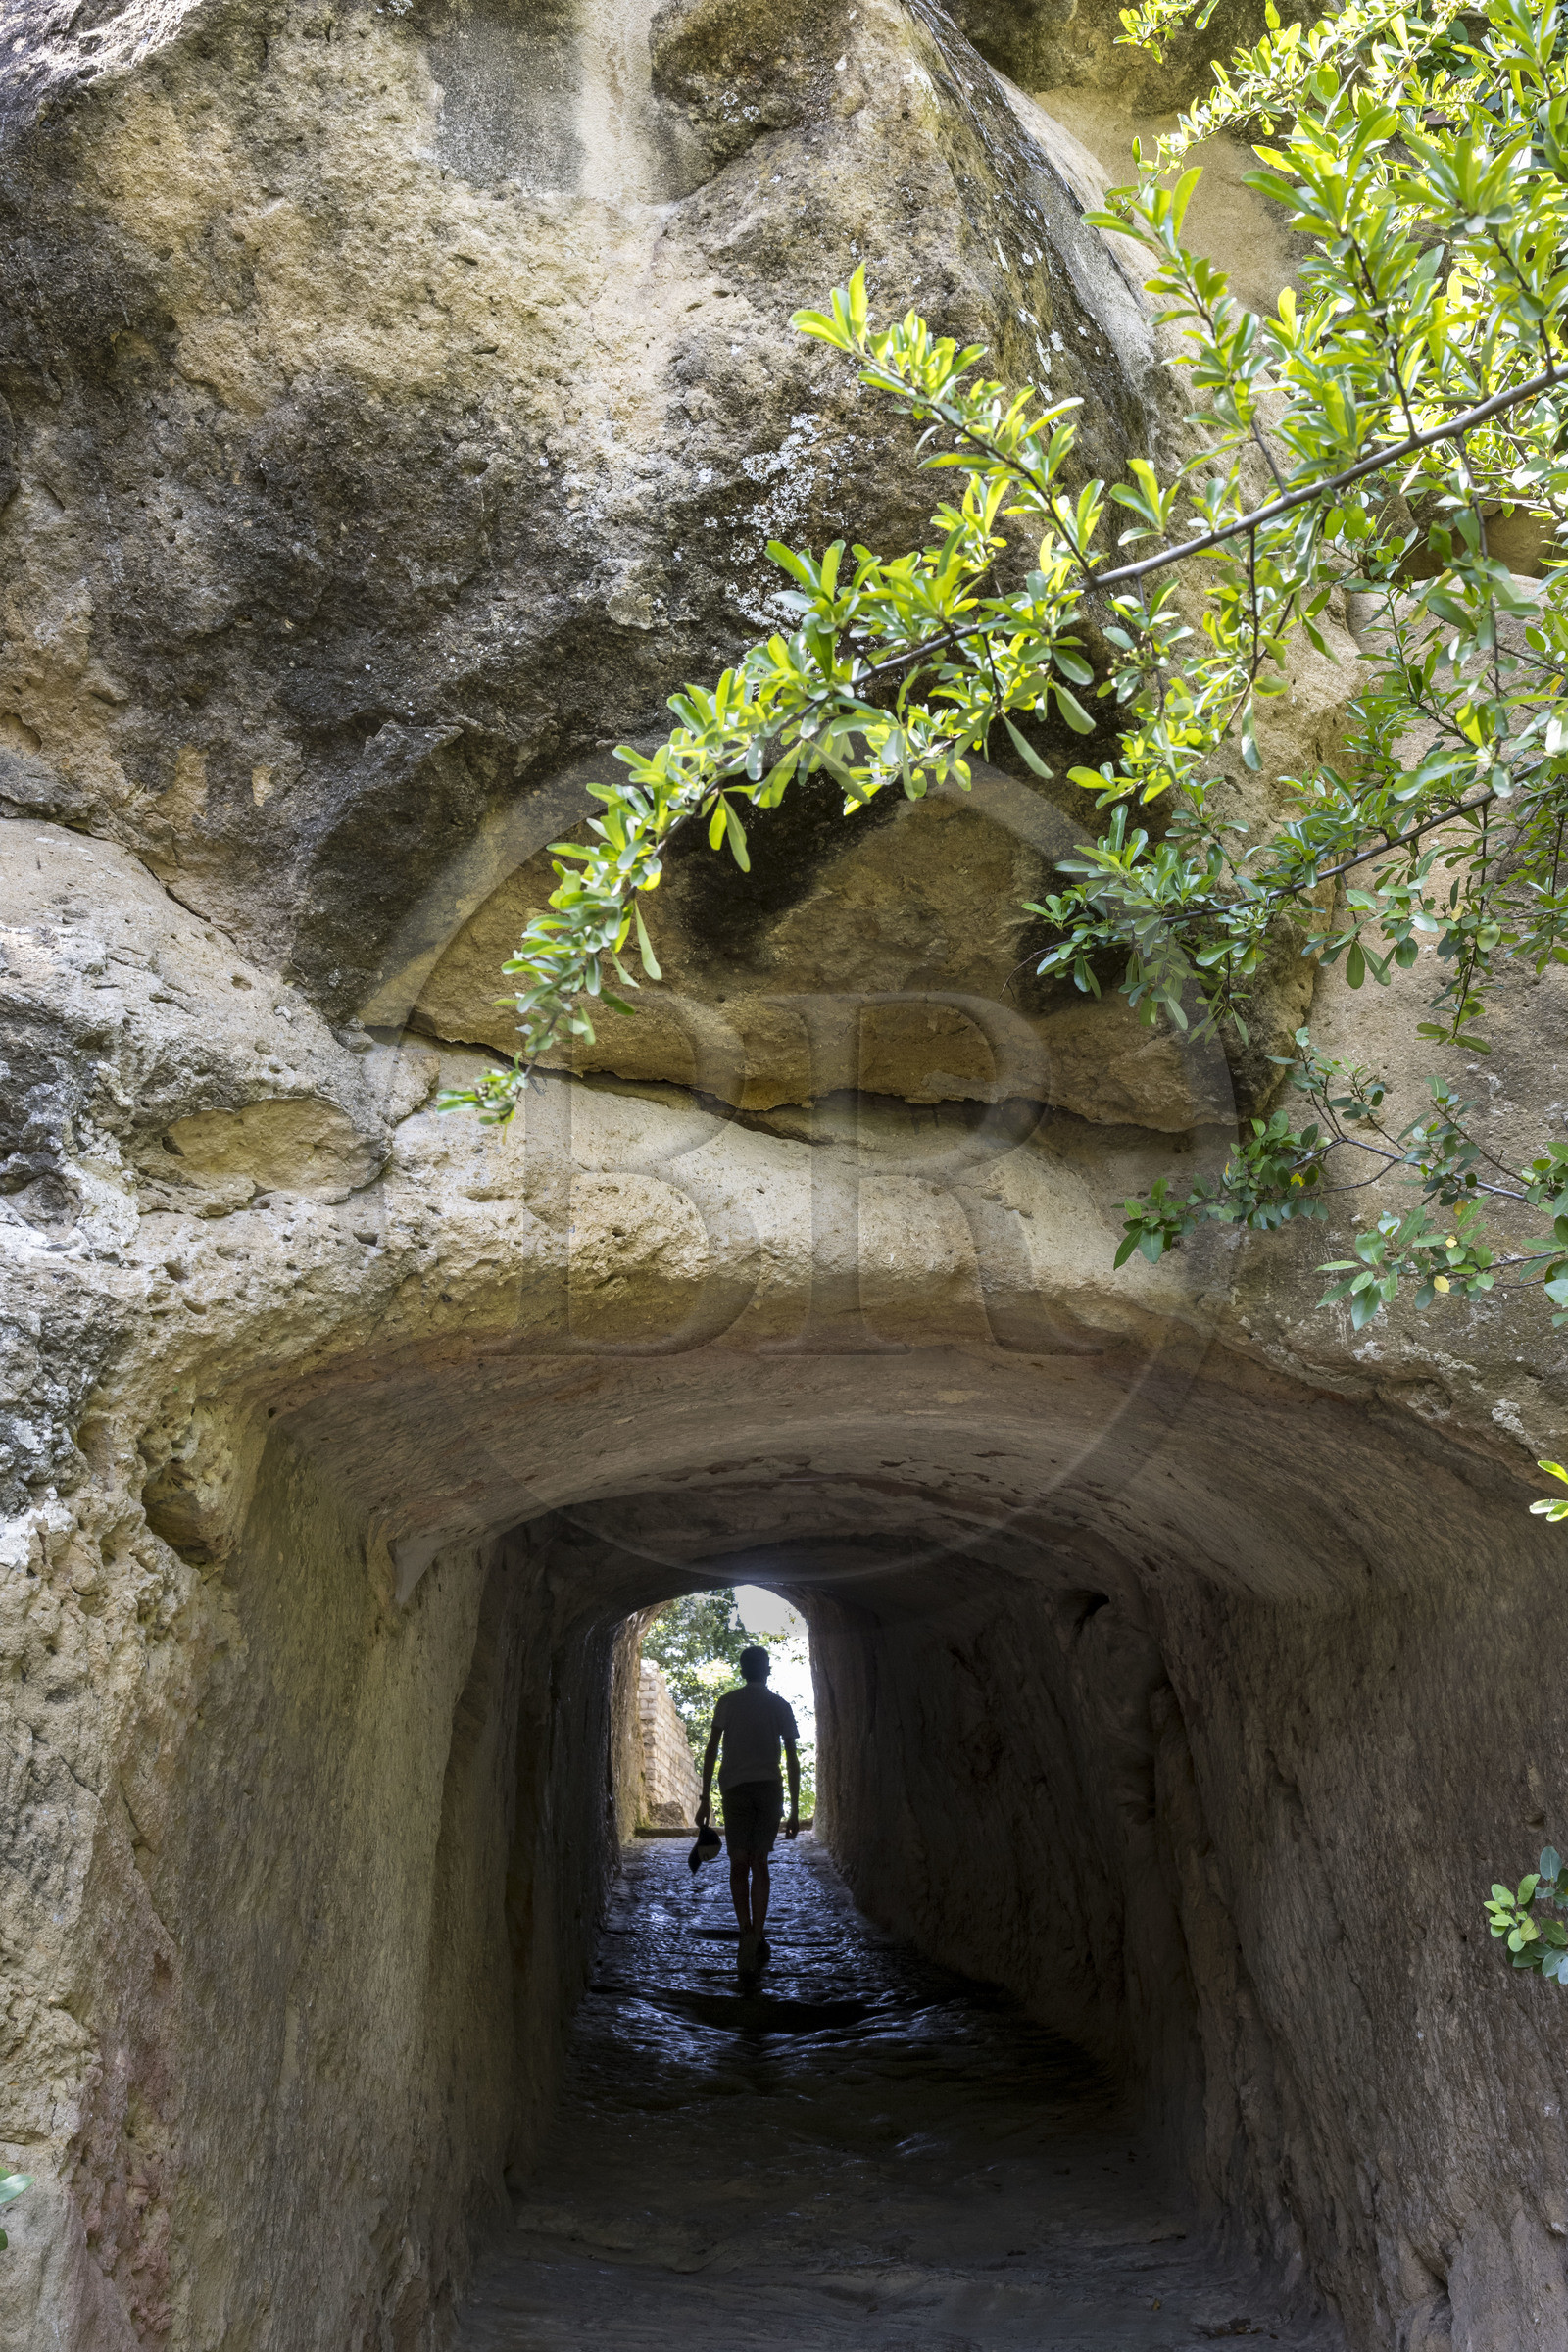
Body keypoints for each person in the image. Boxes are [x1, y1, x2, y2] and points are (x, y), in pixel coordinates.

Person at [697, 1645, 800, 1974]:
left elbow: (712, 1749)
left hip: (735, 1789)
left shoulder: (728, 1702)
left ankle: (745, 1933)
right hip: (769, 1788)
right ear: (767, 1670)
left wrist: (704, 1798)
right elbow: (792, 1759)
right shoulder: (780, 1705)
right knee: (760, 1862)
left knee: (739, 1862)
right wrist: (794, 1809)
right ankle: (758, 1932)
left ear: (742, 1671)